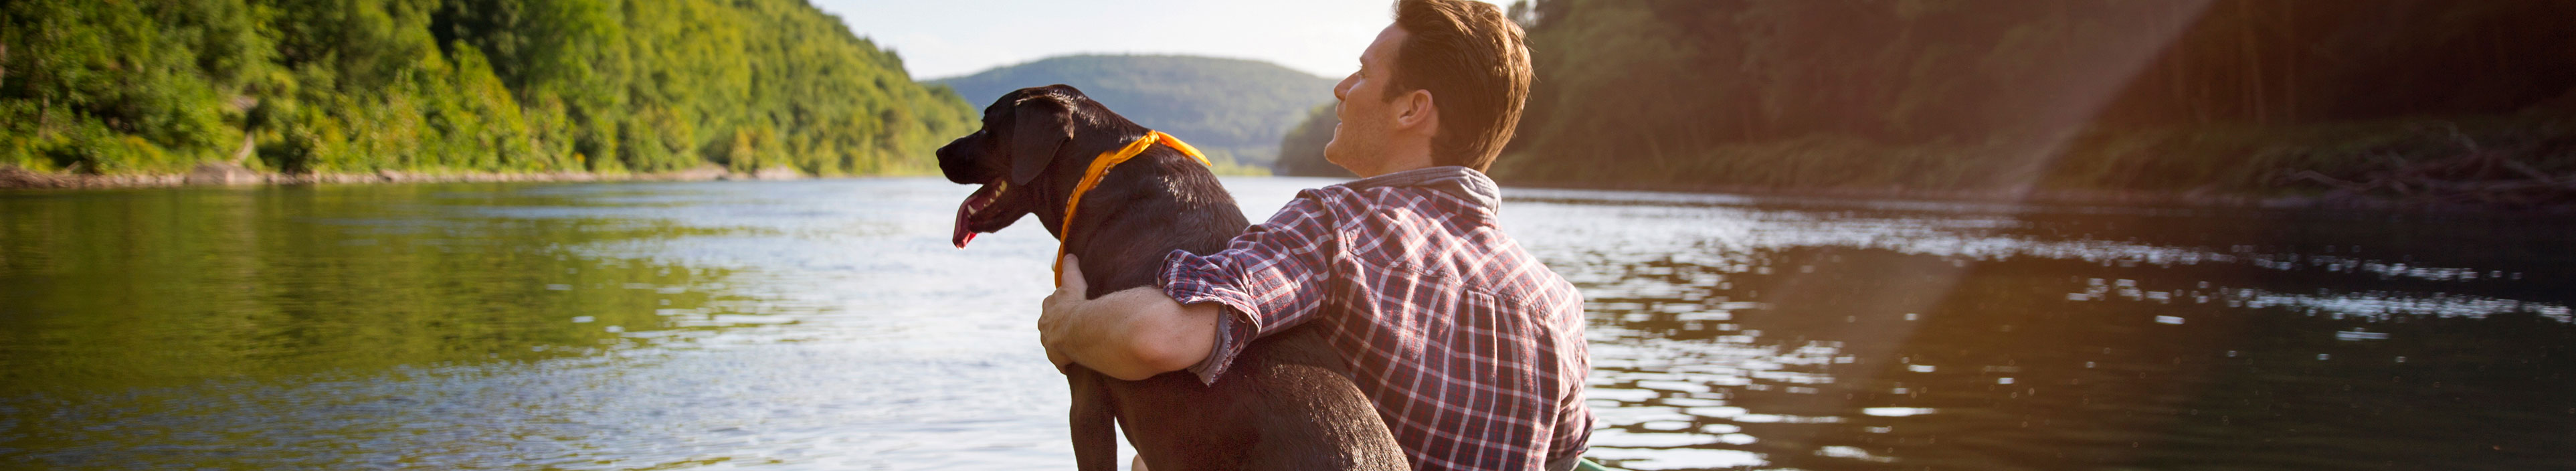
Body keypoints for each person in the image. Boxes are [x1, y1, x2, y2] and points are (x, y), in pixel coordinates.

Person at [1038, 1, 1593, 470]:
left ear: (1411, 109)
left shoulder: (1338, 226)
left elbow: (1158, 337)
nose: (1341, 88)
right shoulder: (1558, 307)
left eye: (1363, 74)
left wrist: (1068, 322)